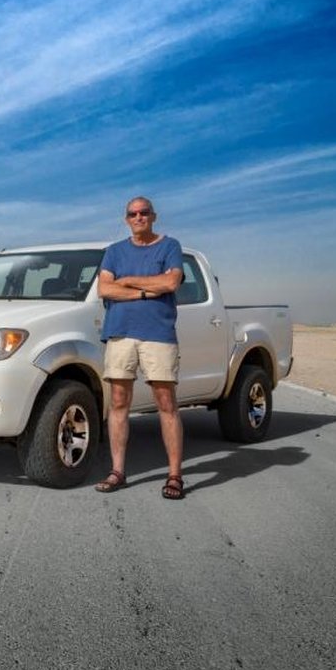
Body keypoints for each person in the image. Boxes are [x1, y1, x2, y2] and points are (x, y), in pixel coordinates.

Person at [94, 197, 187, 499]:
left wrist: (128, 281)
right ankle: (117, 471)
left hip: (157, 333)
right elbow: (104, 288)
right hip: (120, 333)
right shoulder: (114, 251)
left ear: (153, 216)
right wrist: (146, 292)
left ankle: (174, 475)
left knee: (166, 402)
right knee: (118, 401)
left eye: (143, 212)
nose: (138, 217)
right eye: (132, 214)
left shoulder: (169, 246)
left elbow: (171, 283)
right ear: (126, 219)